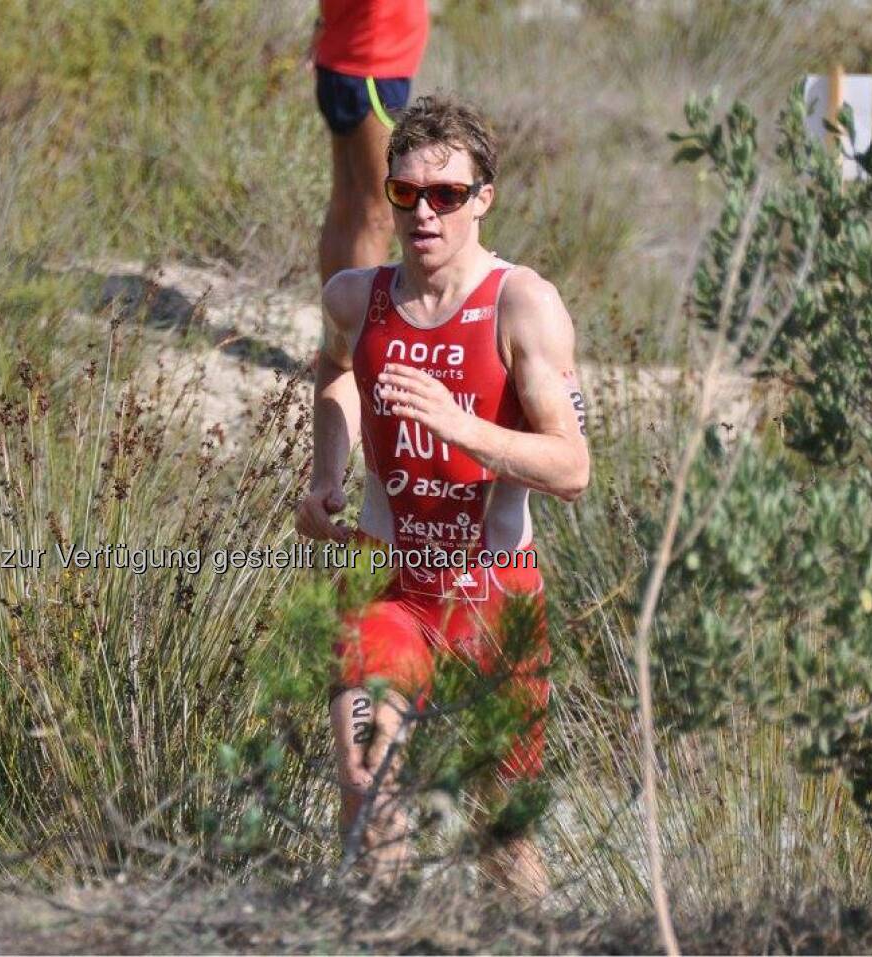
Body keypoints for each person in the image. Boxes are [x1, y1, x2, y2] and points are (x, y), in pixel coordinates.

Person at [294, 95, 590, 898]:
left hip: (495, 599)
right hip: (392, 589)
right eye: (406, 194)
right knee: (365, 778)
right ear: (388, 192)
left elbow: (571, 467)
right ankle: (375, 933)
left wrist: (463, 428)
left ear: (482, 198)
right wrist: (327, 471)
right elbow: (333, 371)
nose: (424, 213)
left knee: (505, 843)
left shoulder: (523, 304)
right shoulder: (355, 299)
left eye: (446, 195)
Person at [312, 0, 429, 285]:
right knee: (376, 214)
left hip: (346, 55)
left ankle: (336, 325)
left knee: (346, 202)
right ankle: (360, 326)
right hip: (373, 64)